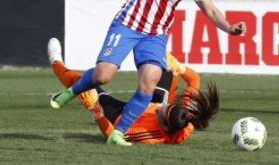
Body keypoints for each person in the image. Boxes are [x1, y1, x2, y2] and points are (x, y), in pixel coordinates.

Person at [50, 0, 246, 146]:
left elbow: (210, 9)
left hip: (155, 35)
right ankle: (71, 91)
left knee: (150, 82)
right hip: (128, 25)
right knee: (104, 75)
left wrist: (230, 28)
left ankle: (118, 134)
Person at [48, 38, 219, 144]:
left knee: (81, 84)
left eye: (160, 111)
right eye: (164, 106)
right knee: (165, 68)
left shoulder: (147, 134)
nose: (158, 107)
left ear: (164, 127)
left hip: (120, 115)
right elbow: (194, 79)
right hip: (158, 100)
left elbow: (110, 135)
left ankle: (56, 61)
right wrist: (179, 67)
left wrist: (96, 111)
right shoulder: (185, 120)